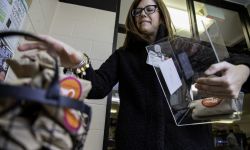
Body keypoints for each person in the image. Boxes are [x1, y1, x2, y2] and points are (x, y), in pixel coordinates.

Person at [17, 0, 250, 149]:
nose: (143, 14)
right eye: (137, 11)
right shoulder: (124, 55)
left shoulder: (184, 47)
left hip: (189, 144)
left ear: (161, 13)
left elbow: (237, 62)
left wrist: (242, 71)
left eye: (150, 8)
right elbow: (97, 86)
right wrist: (80, 63)